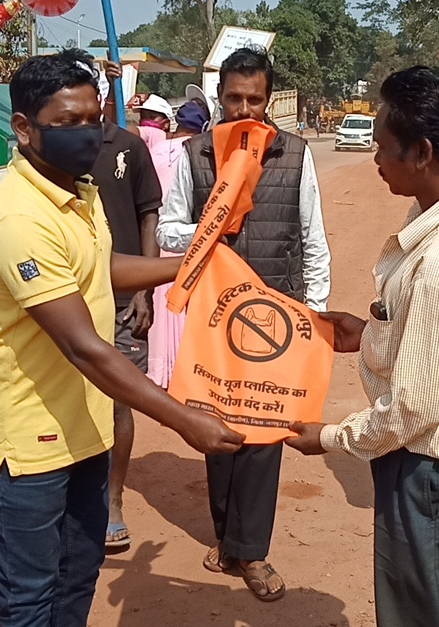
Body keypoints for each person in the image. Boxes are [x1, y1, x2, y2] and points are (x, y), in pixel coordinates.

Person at [0, 49, 243, 627]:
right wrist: (182, 419)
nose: (87, 133)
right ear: (24, 127)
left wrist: (192, 260)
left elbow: (101, 267)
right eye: (67, 123)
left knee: (79, 571)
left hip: (84, 427)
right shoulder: (21, 216)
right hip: (27, 444)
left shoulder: (78, 189)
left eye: (93, 118)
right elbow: (84, 346)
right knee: (31, 592)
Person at [285, 66, 439, 627]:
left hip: (430, 468)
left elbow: (414, 410)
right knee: (436, 600)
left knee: (428, 610)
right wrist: (372, 335)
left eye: (384, 147)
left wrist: (331, 438)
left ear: (422, 152)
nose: (376, 159)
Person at [157, 45, 331, 602]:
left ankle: (251, 552)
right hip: (213, 318)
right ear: (219, 98)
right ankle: (227, 537)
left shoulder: (296, 155)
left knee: (264, 433)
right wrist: (212, 227)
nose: (244, 110)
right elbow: (167, 229)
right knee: (218, 432)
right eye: (234, 99)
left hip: (276, 315)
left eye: (255, 100)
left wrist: (316, 313)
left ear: (269, 101)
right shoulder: (196, 155)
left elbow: (313, 239)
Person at [87, 73, 164, 553]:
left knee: (120, 400)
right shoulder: (52, 150)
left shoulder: (129, 147)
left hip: (122, 299)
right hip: (70, 297)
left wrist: (147, 288)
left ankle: (113, 501)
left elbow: (148, 214)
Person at [146, 99, 209, 389]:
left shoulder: (155, 151)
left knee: (160, 306)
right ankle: (186, 371)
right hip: (189, 240)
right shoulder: (201, 156)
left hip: (156, 238)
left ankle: (160, 371)